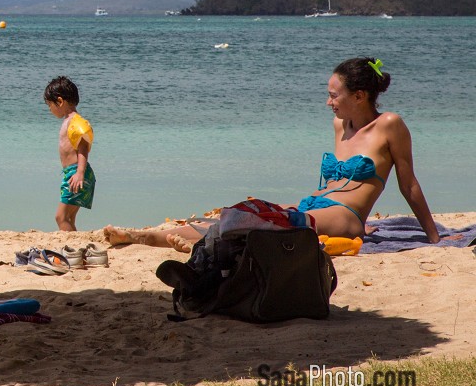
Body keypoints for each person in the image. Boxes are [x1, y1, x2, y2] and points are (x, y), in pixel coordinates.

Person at [105, 57, 439, 251]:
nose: (328, 102)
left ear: (361, 95)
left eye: (334, 95)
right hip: (314, 205)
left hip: (347, 218)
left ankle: (202, 245)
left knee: (270, 222)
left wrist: (434, 235)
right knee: (240, 213)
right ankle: (149, 237)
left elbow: (408, 184)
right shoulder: (341, 125)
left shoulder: (389, 125)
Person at [45, 76, 95, 232]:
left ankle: (71, 249)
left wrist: (79, 172)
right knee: (69, 218)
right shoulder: (69, 121)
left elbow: (83, 147)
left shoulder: (75, 122)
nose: (49, 109)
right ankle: (76, 248)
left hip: (77, 173)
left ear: (60, 101)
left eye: (49, 105)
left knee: (60, 217)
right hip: (74, 173)